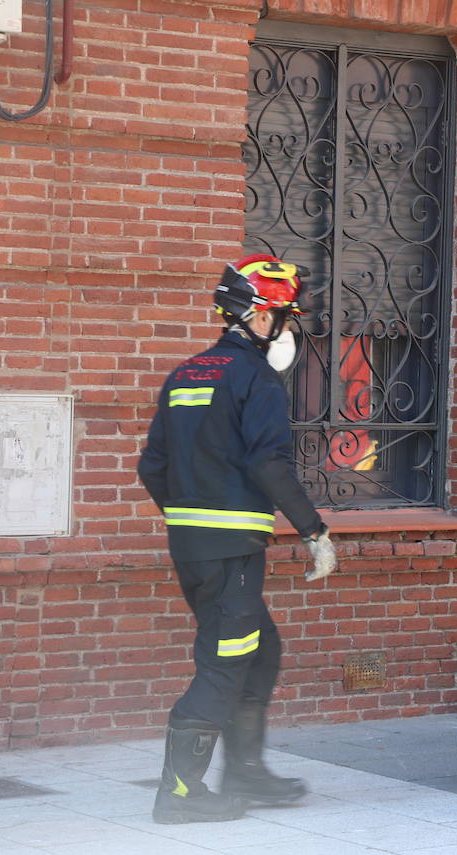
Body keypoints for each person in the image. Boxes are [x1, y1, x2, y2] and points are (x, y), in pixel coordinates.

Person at [138, 255, 338, 825]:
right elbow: (269, 465)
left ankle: (246, 772)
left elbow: (152, 465)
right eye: (284, 317)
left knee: (260, 650)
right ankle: (179, 795)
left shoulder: (185, 374)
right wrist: (314, 531)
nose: (289, 330)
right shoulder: (256, 378)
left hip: (194, 549)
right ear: (257, 316)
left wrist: (190, 518)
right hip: (232, 552)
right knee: (226, 663)